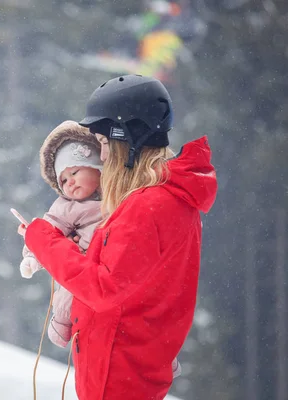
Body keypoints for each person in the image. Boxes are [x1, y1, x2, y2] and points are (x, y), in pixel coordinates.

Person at [18, 74, 217, 400]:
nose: (104, 156)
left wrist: (43, 238)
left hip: (117, 374)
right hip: (127, 368)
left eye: (106, 144)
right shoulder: (165, 199)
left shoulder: (147, 207)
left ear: (129, 140)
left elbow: (102, 286)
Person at [19, 120, 103, 348]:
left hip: (111, 265)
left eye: (75, 171)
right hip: (84, 262)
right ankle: (60, 329)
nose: (70, 182)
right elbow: (49, 230)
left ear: (98, 168)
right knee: (67, 295)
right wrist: (32, 258)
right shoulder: (67, 206)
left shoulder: (119, 195)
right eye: (63, 180)